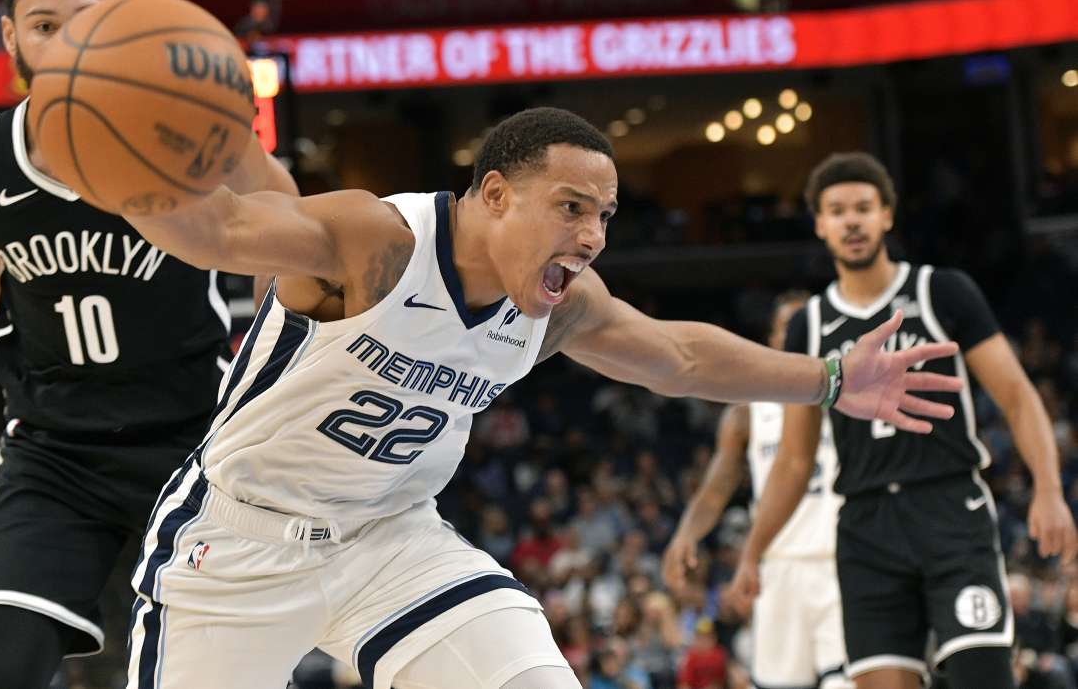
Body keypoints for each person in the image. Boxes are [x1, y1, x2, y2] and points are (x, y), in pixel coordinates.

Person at [117, 108, 961, 689]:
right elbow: (217, 229)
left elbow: (679, 356)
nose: (592, 236)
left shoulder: (556, 307)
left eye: (605, 215)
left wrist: (835, 378)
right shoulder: (375, 242)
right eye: (571, 207)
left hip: (391, 542)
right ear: (494, 195)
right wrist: (94, 143)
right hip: (238, 544)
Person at [0, 1, 297, 688]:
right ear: (13, 41)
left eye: (87, 22)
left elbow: (285, 221)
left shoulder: (187, 135)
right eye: (45, 26)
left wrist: (270, 377)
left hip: (195, 441)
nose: (68, 47)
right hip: (55, 451)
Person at [732, 152, 1078, 689]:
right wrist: (754, 552)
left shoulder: (943, 292)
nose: (852, 220)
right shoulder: (810, 324)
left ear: (887, 216)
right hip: (866, 529)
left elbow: (1016, 395)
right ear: (820, 224)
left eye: (864, 208)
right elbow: (796, 459)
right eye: (838, 210)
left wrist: (1049, 489)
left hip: (949, 511)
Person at [664, 291, 851, 689]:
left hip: (842, 560)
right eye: (791, 326)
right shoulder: (747, 412)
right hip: (775, 564)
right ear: (773, 340)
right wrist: (686, 534)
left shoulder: (851, 401)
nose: (802, 334)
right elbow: (715, 491)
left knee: (844, 681)